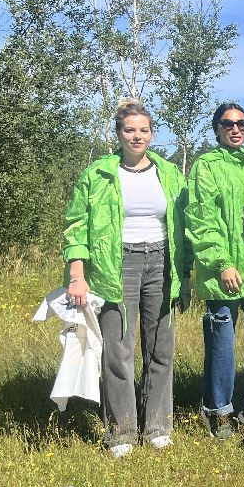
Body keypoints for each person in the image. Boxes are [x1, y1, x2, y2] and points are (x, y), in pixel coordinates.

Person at [63, 101, 190, 455]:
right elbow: (77, 225)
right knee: (118, 350)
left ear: (152, 134)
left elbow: (184, 223)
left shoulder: (168, 173)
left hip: (162, 261)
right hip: (116, 264)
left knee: (160, 347)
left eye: (144, 130)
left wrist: (187, 273)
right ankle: (121, 431)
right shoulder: (99, 174)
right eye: (130, 130)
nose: (137, 136)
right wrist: (78, 273)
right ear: (117, 134)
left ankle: (158, 425)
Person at [187, 101, 244, 438]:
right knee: (222, 344)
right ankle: (218, 411)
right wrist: (223, 263)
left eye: (242, 123)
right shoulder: (206, 166)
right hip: (223, 273)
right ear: (217, 129)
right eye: (228, 124)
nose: (236, 129)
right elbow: (201, 219)